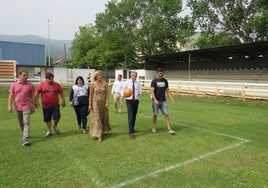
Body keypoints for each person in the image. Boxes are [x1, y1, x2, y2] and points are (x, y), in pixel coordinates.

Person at [8, 70, 35, 146]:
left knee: (26, 122)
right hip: (17, 106)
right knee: (21, 123)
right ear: (19, 75)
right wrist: (9, 106)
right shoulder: (14, 85)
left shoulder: (30, 85)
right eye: (24, 75)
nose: (26, 77)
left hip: (27, 106)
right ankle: (24, 134)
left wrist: (33, 106)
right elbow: (11, 96)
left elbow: (32, 96)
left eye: (27, 75)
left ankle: (25, 137)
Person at [35, 72, 66, 137]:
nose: (51, 80)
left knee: (57, 117)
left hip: (55, 105)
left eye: (52, 79)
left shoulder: (57, 85)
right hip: (45, 106)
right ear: (46, 79)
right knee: (47, 119)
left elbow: (61, 93)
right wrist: (36, 101)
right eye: (49, 79)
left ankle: (55, 125)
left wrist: (63, 101)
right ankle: (49, 131)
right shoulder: (41, 85)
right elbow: (37, 93)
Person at [150, 67, 175, 134]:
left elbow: (167, 90)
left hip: (163, 101)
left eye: (162, 73)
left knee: (166, 114)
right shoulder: (154, 81)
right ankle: (154, 127)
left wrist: (171, 98)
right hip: (156, 101)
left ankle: (169, 129)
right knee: (155, 114)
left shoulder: (165, 81)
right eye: (160, 73)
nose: (161, 75)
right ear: (157, 73)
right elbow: (152, 91)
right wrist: (155, 99)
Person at [88, 70, 111, 142]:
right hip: (95, 103)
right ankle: (99, 135)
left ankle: (102, 130)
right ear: (96, 76)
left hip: (103, 103)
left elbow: (107, 94)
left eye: (101, 75)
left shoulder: (105, 84)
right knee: (97, 118)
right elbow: (90, 95)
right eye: (98, 75)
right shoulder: (92, 84)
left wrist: (107, 102)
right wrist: (90, 104)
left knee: (102, 118)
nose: (100, 76)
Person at [123, 71, 142, 139]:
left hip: (136, 101)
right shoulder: (126, 82)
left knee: (134, 115)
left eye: (136, 76)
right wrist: (125, 94)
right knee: (130, 116)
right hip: (129, 101)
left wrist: (139, 93)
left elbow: (140, 90)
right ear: (131, 76)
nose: (135, 77)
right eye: (134, 76)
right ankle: (131, 133)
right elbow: (122, 90)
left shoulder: (138, 83)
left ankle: (132, 128)